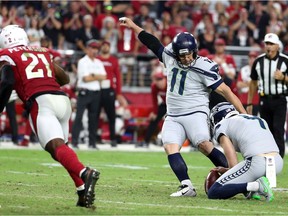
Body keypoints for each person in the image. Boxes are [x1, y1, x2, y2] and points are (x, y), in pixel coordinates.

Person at [119, 17, 246, 197]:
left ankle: (237, 175)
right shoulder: (170, 56)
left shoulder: (204, 67)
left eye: (189, 54)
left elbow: (226, 91)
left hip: (196, 111)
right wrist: (133, 26)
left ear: (195, 52)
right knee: (170, 146)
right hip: (173, 114)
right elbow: (152, 42)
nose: (186, 58)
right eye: (182, 55)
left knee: (204, 144)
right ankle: (186, 186)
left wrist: (244, 114)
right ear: (176, 53)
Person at [0, 25, 99, 208]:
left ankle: (85, 172)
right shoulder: (42, 51)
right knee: (62, 150)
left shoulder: (7, 54)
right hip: (62, 100)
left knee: (55, 147)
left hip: (41, 102)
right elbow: (64, 79)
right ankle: (81, 190)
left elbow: (7, 81)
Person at [208, 102, 283, 202]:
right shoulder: (257, 119)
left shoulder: (222, 125)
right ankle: (253, 190)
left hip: (258, 162)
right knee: (246, 171)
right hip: (277, 162)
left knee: (214, 191)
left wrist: (228, 171)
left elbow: (233, 161)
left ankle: (257, 186)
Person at [247, 33, 288, 158]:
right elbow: (253, 82)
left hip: (280, 99)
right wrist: (249, 103)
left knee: (278, 129)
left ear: (277, 46)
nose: (268, 47)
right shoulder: (258, 61)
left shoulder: (285, 61)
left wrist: (284, 78)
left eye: (271, 44)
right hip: (264, 100)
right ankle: (268, 157)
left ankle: (279, 158)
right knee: (266, 130)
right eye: (267, 44)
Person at [71, 39, 107, 149]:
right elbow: (86, 78)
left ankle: (92, 143)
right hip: (84, 91)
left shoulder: (99, 62)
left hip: (96, 92)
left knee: (93, 118)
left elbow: (104, 77)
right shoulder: (82, 61)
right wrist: (97, 76)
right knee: (79, 117)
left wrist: (93, 75)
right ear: (87, 49)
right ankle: (75, 141)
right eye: (93, 48)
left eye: (96, 49)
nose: (95, 51)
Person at [96, 40, 128, 147]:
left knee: (111, 115)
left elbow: (118, 77)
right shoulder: (96, 60)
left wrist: (118, 93)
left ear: (109, 47)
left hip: (109, 90)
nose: (105, 47)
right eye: (103, 45)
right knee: (95, 114)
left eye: (107, 45)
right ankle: (96, 136)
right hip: (97, 89)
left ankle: (113, 138)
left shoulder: (113, 60)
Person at [138, 63, 167, 148]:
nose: (159, 82)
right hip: (164, 104)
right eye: (157, 80)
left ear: (164, 79)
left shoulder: (170, 84)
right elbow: (154, 100)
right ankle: (146, 142)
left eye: (160, 79)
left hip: (175, 105)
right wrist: (154, 112)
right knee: (153, 120)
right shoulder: (154, 87)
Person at [236, 51, 259, 116]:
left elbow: (260, 84)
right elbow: (238, 84)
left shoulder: (259, 70)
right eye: (250, 58)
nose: (252, 60)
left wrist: (246, 83)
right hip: (244, 99)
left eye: (253, 58)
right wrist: (252, 83)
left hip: (256, 100)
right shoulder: (243, 70)